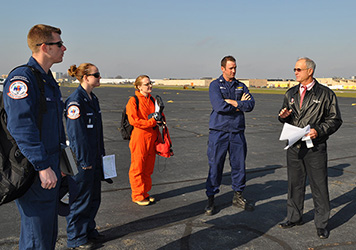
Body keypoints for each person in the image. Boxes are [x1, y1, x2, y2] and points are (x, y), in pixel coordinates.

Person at [3, 24, 66, 249]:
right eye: (59, 44)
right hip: (33, 169)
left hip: (49, 165)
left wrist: (59, 163)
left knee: (47, 233)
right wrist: (42, 166)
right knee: (36, 235)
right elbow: (22, 127)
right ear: (44, 47)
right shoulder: (23, 79)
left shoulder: (47, 80)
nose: (64, 48)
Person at [278, 57, 342, 239]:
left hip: (315, 147)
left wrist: (318, 131)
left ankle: (321, 224)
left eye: (298, 69)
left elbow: (335, 120)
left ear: (310, 71)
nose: (295, 72)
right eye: (294, 69)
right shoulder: (290, 93)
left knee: (319, 186)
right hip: (294, 145)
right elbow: (286, 116)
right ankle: (294, 217)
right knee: (294, 184)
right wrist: (283, 116)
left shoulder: (326, 94)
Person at [205, 55, 255, 216]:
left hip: (237, 133)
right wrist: (239, 105)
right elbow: (219, 106)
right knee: (215, 165)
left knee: (239, 165)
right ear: (222, 69)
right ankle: (211, 199)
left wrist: (234, 103)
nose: (233, 70)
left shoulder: (241, 86)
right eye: (230, 68)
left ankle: (238, 196)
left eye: (235, 68)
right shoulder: (215, 85)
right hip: (218, 132)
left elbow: (250, 104)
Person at [65, 63, 105, 249]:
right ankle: (76, 239)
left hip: (94, 158)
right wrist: (83, 161)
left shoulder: (92, 98)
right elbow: (76, 135)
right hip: (83, 161)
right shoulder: (76, 101)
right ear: (85, 77)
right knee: (80, 200)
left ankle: (89, 230)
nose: (99, 77)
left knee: (94, 197)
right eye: (96, 75)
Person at [126, 75, 162, 206]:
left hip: (152, 135)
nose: (150, 86)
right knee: (138, 167)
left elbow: (158, 115)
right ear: (139, 86)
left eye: (150, 83)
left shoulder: (152, 100)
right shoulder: (133, 100)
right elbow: (133, 120)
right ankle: (137, 195)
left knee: (148, 167)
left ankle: (145, 192)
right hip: (140, 136)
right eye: (146, 84)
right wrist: (152, 122)